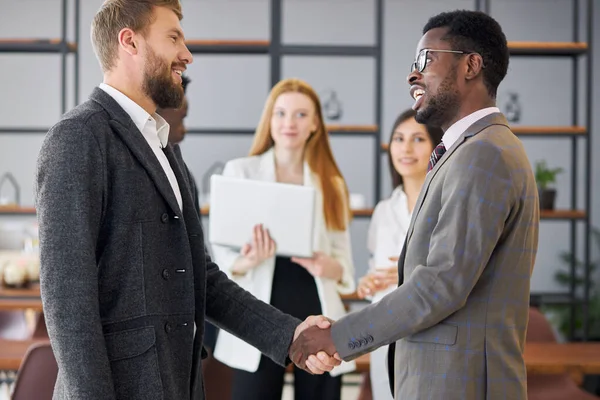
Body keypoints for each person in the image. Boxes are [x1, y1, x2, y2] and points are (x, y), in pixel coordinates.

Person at [34, 1, 339, 399]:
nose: (186, 54)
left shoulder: (167, 150)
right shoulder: (77, 138)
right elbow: (68, 303)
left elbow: (202, 277)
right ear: (130, 42)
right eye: (173, 37)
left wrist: (289, 333)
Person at [290, 9, 540, 400]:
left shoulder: (483, 154)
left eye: (426, 59)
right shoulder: (470, 150)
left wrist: (337, 337)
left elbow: (440, 284)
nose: (412, 74)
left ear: (471, 65)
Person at [210, 77, 356, 400]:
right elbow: (220, 251)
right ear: (269, 121)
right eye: (281, 114)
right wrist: (248, 259)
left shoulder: (331, 184)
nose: (289, 123)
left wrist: (325, 265)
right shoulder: (240, 172)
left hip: (314, 310)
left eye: (301, 115)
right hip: (260, 314)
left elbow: (344, 269)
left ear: (315, 124)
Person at [356, 109, 442, 400]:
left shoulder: (445, 204)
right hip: (385, 335)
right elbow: (376, 266)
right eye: (398, 139)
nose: (405, 148)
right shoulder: (384, 210)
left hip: (431, 335)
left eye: (418, 139)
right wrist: (368, 283)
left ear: (435, 147)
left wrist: (408, 273)